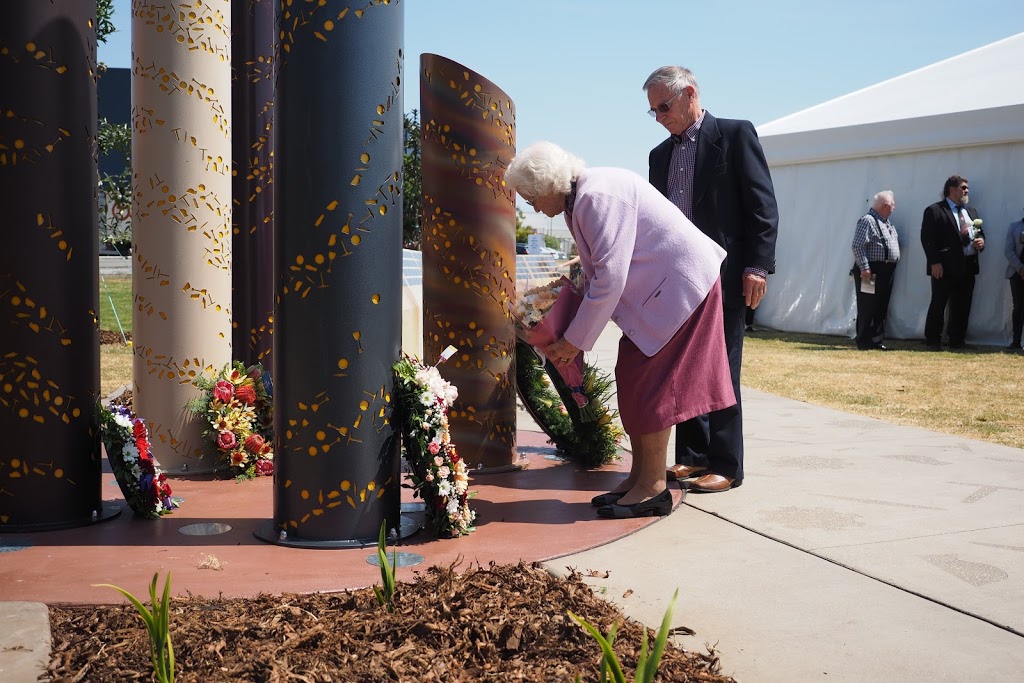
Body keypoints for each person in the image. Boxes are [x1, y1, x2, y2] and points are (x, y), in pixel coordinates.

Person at [505, 141, 736, 518]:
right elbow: (596, 270)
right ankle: (641, 477)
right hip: (665, 291)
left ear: (547, 184)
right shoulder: (581, 198)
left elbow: (610, 277)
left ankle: (653, 488)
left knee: (652, 386)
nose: (530, 205)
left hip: (680, 288)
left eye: (530, 196)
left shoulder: (595, 196)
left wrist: (572, 341)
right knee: (634, 379)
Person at [642, 66, 778, 493]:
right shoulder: (658, 156)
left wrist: (757, 266)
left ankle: (726, 463)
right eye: (653, 111)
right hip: (678, 280)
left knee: (722, 368)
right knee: (684, 369)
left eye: (664, 106)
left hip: (725, 275)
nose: (660, 116)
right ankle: (692, 457)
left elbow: (762, 206)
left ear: (690, 94)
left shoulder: (736, 136)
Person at [920, 175, 985, 350]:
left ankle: (957, 340)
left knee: (962, 305)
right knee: (939, 303)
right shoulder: (935, 210)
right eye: (963, 188)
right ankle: (933, 340)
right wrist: (934, 262)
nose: (967, 191)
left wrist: (981, 242)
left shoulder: (971, 211)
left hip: (968, 265)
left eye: (967, 188)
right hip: (944, 267)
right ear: (952, 189)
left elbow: (979, 233)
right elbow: (928, 239)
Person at [852, 191, 900, 350]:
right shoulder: (868, 220)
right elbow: (858, 245)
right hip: (871, 269)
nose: (894, 208)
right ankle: (864, 340)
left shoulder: (886, 223)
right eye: (893, 204)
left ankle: (877, 340)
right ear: (885, 206)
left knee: (881, 305)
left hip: (886, 269)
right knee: (868, 304)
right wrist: (865, 267)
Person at [1005, 209, 1024, 351]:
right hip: (1017, 273)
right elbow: (1008, 250)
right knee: (1018, 307)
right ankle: (1016, 341)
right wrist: (1020, 268)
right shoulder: (1014, 227)